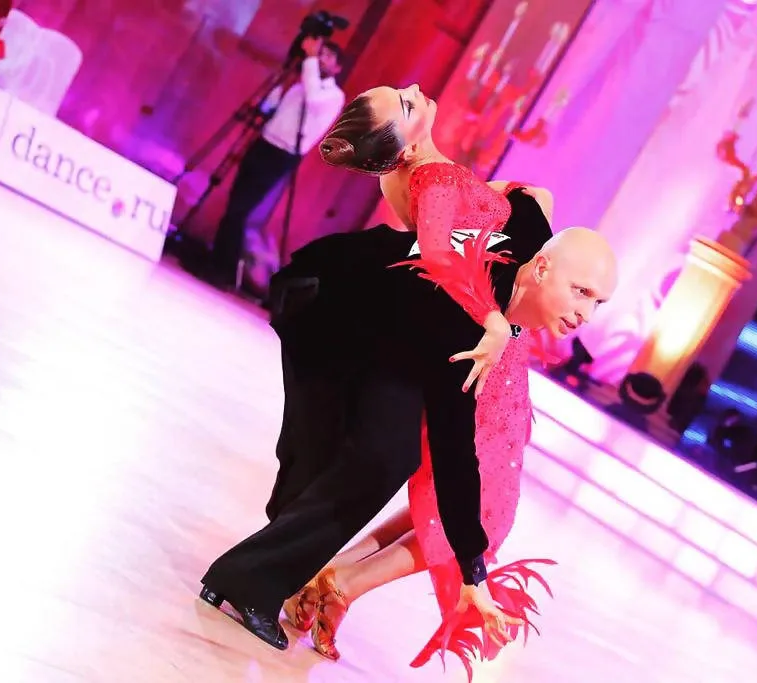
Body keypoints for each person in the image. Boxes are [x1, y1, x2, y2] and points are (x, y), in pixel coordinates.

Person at [199, 84, 618, 670]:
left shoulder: (435, 183)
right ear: (403, 142)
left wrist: (501, 279)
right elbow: (444, 259)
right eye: (406, 102)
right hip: (396, 336)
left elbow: (516, 212)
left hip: (416, 333)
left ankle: (285, 577)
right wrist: (495, 319)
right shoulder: (428, 181)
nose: (418, 90)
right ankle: (270, 582)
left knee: (382, 465)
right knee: (382, 463)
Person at [206, 36, 345, 288]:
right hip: (265, 142)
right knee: (234, 202)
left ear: (337, 68)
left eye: (327, 57)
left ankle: (223, 269)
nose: (320, 59)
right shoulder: (302, 83)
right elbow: (275, 108)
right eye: (319, 54)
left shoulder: (333, 95)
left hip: (283, 154)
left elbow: (313, 101)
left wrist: (311, 60)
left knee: (241, 208)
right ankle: (218, 261)